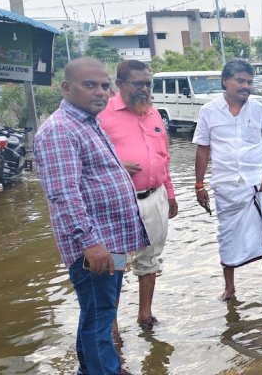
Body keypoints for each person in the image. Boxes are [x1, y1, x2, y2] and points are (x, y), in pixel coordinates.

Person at [35, 57, 149, 375]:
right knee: (99, 319)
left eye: (104, 85)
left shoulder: (87, 122)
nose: (100, 92)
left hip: (109, 240)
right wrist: (90, 243)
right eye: (90, 85)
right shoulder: (60, 131)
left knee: (96, 313)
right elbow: (64, 195)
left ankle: (92, 369)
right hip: (95, 246)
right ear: (67, 88)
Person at [193, 59, 262, 301]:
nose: (245, 86)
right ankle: (229, 288)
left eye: (249, 82)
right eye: (240, 81)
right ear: (225, 81)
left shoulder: (259, 109)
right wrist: (199, 184)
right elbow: (203, 149)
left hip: (257, 184)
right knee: (227, 235)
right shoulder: (208, 111)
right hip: (226, 187)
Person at [99, 60, 178, 331]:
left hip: (155, 198)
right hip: (118, 204)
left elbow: (164, 157)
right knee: (117, 262)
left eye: (148, 83)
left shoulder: (153, 113)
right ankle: (112, 324)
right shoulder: (102, 115)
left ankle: (145, 314)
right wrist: (115, 164)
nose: (145, 89)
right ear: (119, 85)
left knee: (150, 258)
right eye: (138, 84)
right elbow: (86, 159)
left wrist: (170, 194)